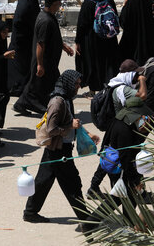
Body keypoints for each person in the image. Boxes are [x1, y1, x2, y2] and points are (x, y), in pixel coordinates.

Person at [23, 70, 99, 224]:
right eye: (76, 84)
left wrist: (85, 132)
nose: (78, 87)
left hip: (58, 149)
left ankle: (30, 212)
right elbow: (51, 129)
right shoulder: (57, 102)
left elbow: (71, 121)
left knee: (43, 181)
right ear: (68, 83)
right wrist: (69, 127)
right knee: (72, 183)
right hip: (58, 150)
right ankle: (84, 217)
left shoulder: (66, 99)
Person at [83, 99, 154, 235]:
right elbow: (126, 157)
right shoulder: (125, 129)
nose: (144, 117)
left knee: (126, 197)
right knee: (119, 197)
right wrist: (135, 179)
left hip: (120, 166)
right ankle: (91, 222)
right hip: (122, 169)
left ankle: (127, 225)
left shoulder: (121, 120)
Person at [88, 59, 147, 198]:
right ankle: (138, 190)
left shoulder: (114, 84)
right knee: (127, 158)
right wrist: (142, 80)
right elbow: (142, 96)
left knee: (109, 156)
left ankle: (94, 187)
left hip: (114, 128)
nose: (137, 78)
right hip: (122, 129)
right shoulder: (123, 89)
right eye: (135, 75)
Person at [13, 0, 75, 115]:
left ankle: (21, 104)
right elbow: (40, 44)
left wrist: (64, 46)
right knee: (44, 84)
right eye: (58, 3)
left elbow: (52, 38)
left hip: (49, 60)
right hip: (44, 61)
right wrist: (40, 64)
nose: (59, 6)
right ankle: (48, 106)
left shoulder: (48, 17)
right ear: (53, 4)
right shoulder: (45, 21)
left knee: (36, 84)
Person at [75, 0, 120, 97]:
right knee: (108, 63)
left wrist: (78, 41)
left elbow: (81, 25)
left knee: (93, 64)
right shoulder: (109, 0)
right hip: (109, 38)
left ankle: (93, 91)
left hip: (92, 40)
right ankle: (109, 89)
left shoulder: (88, 3)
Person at [8, 0, 40, 97]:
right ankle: (17, 87)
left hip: (29, 40)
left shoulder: (32, 3)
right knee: (20, 66)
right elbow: (18, 23)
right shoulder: (25, 6)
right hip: (21, 41)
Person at [0, 21, 15, 147]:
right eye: (3, 32)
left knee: (3, 99)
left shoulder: (1, 41)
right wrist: (4, 56)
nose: (6, 35)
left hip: (2, 76)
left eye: (7, 32)